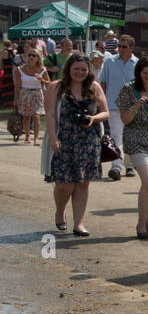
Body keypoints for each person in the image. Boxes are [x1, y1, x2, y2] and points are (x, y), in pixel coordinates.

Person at [45, 52, 109, 237]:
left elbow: (105, 113)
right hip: (63, 140)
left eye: (83, 69)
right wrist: (52, 138)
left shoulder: (94, 87)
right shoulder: (56, 87)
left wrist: (92, 118)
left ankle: (79, 223)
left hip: (88, 141)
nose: (80, 72)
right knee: (65, 184)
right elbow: (49, 114)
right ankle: (60, 211)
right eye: (76, 69)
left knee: (82, 183)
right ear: (69, 69)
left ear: (89, 70)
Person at [117, 55, 148, 239]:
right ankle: (140, 225)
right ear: (138, 72)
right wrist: (137, 105)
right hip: (135, 138)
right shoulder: (128, 89)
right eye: (145, 73)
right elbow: (125, 119)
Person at [98, 34, 138, 180]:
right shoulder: (109, 62)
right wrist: (100, 103)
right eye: (119, 46)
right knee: (116, 136)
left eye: (124, 47)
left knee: (129, 137)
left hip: (132, 107)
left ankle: (129, 165)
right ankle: (116, 167)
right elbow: (102, 83)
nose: (120, 49)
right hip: (114, 106)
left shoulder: (137, 64)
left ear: (131, 48)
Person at [15, 48, 50, 144]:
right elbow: (17, 85)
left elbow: (49, 83)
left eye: (34, 55)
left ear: (38, 58)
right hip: (24, 94)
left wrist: (41, 79)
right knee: (26, 116)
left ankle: (36, 138)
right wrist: (15, 99)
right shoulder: (20, 69)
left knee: (36, 116)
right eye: (29, 55)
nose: (31, 57)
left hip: (36, 94)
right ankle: (27, 136)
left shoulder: (42, 70)